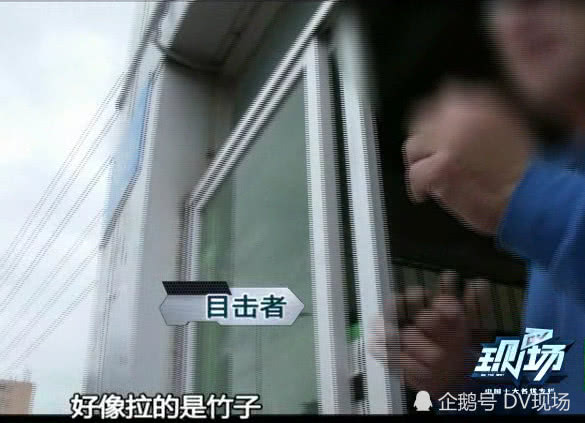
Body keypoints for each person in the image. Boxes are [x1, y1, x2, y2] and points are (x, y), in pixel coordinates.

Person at [369, 0, 585, 414]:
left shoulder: (545, 196)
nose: (518, 10)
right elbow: (557, 388)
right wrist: (461, 375)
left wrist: (529, 194)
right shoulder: (560, 175)